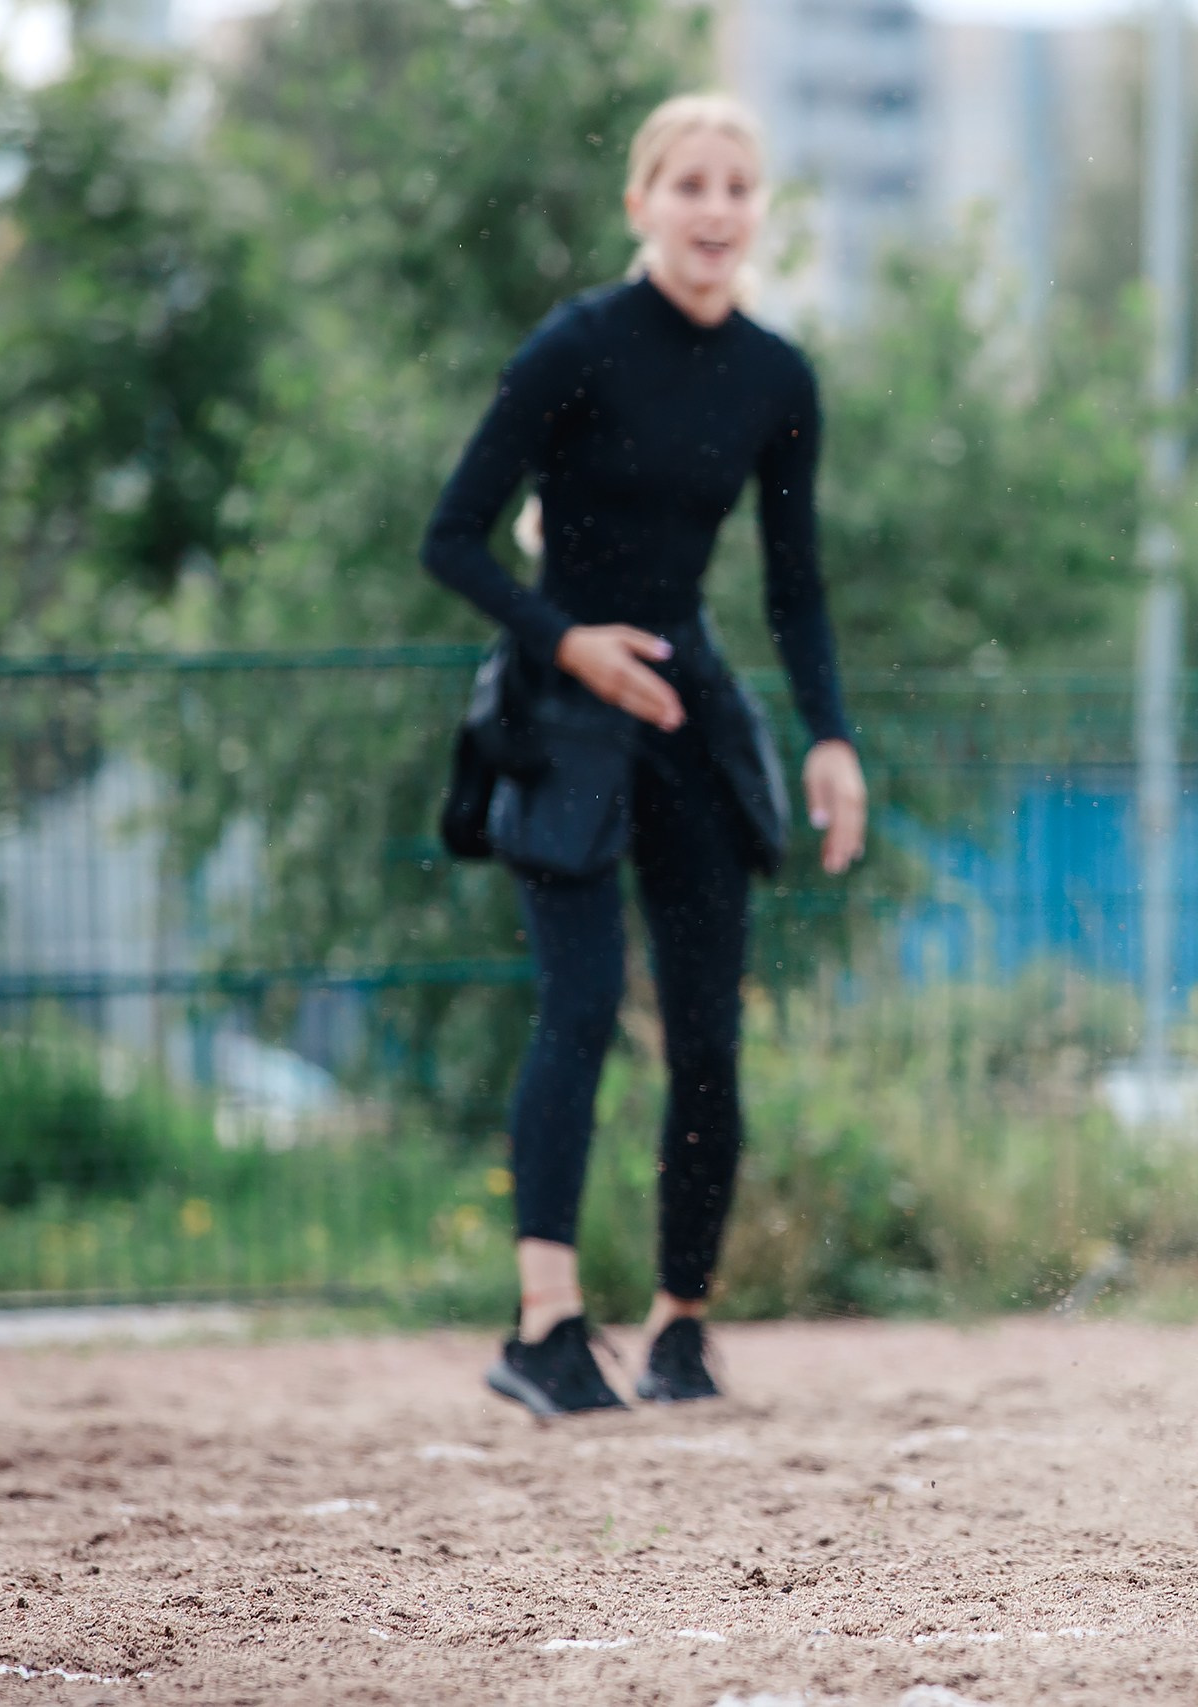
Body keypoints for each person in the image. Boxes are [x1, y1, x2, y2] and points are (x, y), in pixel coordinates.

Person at [421, 93, 866, 1416]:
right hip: (560, 711)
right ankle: (546, 1321)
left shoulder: (779, 377)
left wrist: (832, 735)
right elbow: (451, 537)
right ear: (642, 205)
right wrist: (572, 645)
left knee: (708, 1028)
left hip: (688, 710)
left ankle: (681, 1321)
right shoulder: (575, 347)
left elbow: (795, 587)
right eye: (690, 186)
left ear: (758, 210)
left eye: (738, 187)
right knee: (577, 1004)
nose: (716, 211)